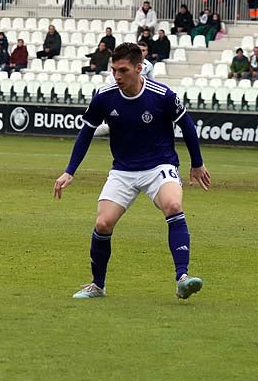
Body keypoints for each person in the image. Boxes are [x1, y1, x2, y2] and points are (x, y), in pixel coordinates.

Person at [53, 43, 210, 300]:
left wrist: (197, 163)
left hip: (160, 165)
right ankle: (98, 286)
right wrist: (69, 171)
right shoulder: (104, 97)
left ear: (139, 69)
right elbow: (86, 132)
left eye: (122, 70)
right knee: (103, 223)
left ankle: (182, 277)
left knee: (173, 205)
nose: (117, 76)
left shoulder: (163, 95)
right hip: (123, 170)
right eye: (113, 70)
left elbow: (188, 126)